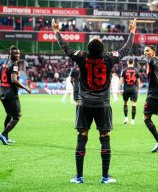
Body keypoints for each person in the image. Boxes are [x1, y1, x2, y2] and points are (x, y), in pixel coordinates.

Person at [52, 18, 137, 184]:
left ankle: (79, 177)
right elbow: (125, 49)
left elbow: (66, 48)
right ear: (103, 48)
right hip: (103, 104)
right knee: (104, 136)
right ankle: (105, 177)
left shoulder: (82, 57)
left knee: (82, 136)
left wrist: (57, 31)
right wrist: (132, 31)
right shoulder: (109, 58)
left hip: (84, 104)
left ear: (88, 48)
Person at [0, 46, 31, 145]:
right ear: (10, 55)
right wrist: (26, 88)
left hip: (4, 94)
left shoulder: (4, 65)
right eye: (16, 54)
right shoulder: (14, 65)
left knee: (9, 114)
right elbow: (14, 80)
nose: (18, 55)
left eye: (19, 53)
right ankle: (3, 134)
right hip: (11, 95)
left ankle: (5, 138)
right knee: (17, 116)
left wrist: (0, 94)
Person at [120, 58, 140, 125]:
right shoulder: (136, 70)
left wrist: (120, 89)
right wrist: (138, 89)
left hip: (126, 89)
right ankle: (132, 120)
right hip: (134, 89)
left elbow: (121, 81)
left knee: (125, 103)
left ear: (127, 62)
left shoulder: (124, 70)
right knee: (133, 104)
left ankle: (126, 118)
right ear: (133, 62)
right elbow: (138, 81)